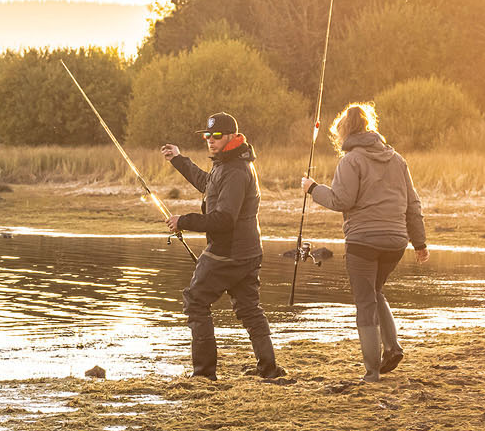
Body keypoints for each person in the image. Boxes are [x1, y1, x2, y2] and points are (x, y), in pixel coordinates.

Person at [301, 102, 428, 382]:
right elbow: (413, 204)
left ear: (343, 131)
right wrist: (419, 243)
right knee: (375, 291)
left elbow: (341, 200)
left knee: (365, 302)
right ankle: (392, 348)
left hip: (363, 241)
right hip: (396, 242)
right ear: (370, 127)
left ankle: (372, 372)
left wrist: (313, 189)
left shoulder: (350, 160)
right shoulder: (398, 159)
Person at [158, 112, 287, 381]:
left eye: (216, 136)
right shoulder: (228, 163)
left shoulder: (237, 170)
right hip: (246, 252)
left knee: (195, 301)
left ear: (231, 136)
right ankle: (269, 368)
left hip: (228, 253)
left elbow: (225, 219)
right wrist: (179, 160)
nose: (210, 140)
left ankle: (204, 375)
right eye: (207, 135)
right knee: (250, 310)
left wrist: (185, 220)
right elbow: (208, 184)